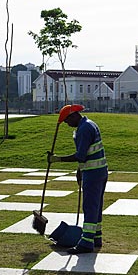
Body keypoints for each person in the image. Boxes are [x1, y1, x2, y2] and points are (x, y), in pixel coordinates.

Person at [48, 104, 108, 254]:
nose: (67, 124)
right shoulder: (89, 124)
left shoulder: (84, 129)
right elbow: (87, 153)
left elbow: (80, 155)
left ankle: (86, 243)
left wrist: (57, 159)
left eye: (67, 121)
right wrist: (79, 170)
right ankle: (96, 238)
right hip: (98, 171)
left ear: (74, 115)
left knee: (89, 207)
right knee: (96, 206)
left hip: (93, 173)